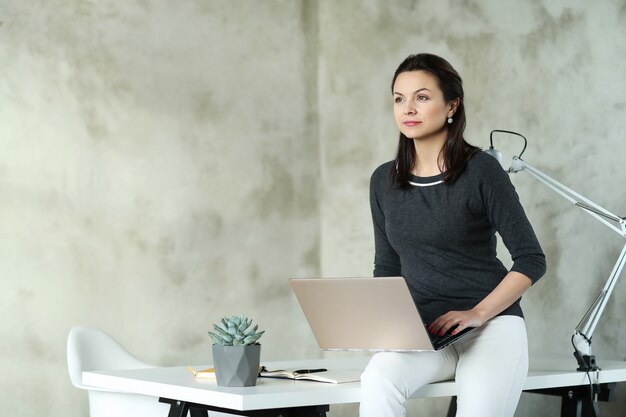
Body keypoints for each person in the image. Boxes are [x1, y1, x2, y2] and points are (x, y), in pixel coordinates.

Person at [360, 53, 546, 417]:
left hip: (490, 326)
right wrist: (386, 326)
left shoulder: (482, 171)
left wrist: (478, 312)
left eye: (422, 97)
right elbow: (387, 266)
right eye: (399, 98)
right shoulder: (383, 181)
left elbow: (531, 259)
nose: (408, 108)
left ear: (452, 105)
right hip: (426, 333)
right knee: (379, 378)